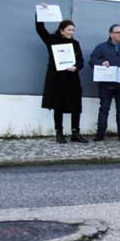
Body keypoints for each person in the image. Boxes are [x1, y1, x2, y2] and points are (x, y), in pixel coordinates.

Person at [35, 12, 88, 144]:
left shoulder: (75, 43)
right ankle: (59, 132)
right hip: (57, 78)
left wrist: (76, 67)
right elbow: (40, 29)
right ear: (61, 30)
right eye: (69, 30)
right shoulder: (52, 40)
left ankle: (75, 132)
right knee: (58, 105)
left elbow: (81, 61)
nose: (71, 32)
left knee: (76, 105)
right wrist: (40, 13)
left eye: (73, 30)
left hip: (72, 78)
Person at [89, 23, 120, 141]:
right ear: (111, 34)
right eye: (118, 32)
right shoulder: (101, 47)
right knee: (104, 109)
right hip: (106, 84)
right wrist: (101, 63)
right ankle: (100, 134)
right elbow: (92, 60)